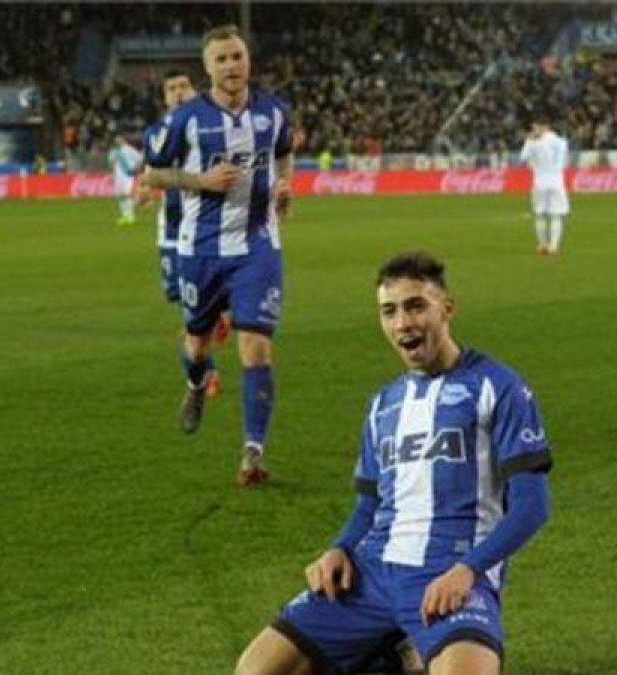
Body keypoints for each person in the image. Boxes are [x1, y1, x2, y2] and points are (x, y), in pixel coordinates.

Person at [236, 252, 552, 675]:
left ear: (447, 308)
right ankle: (393, 651)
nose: (403, 323)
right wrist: (339, 548)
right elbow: (370, 504)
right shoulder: (383, 403)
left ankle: (398, 651)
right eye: (390, 311)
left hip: (451, 569)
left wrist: (470, 570)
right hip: (371, 574)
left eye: (416, 306)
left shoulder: (499, 386)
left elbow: (533, 505)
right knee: (254, 670)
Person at [145, 24, 294, 486]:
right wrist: (200, 182)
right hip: (201, 250)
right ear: (207, 68)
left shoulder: (273, 111)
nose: (232, 65)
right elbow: (154, 176)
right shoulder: (185, 118)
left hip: (258, 247)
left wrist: (286, 186)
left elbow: (284, 155)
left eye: (238, 56)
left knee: (256, 344)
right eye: (222, 59)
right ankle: (195, 383)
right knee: (196, 344)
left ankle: (253, 451)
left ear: (248, 60)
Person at [139, 69, 228, 397]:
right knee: (178, 297)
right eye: (171, 88)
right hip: (171, 228)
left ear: (194, 90)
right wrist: (145, 188)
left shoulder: (210, 126)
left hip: (205, 227)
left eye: (183, 86)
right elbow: (151, 170)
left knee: (192, 309)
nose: (178, 92)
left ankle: (206, 371)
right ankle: (212, 318)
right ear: (165, 98)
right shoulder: (161, 132)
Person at [518, 117, 569, 255]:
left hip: (540, 181)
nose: (534, 131)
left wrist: (529, 141)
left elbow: (522, 158)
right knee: (556, 214)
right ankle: (553, 246)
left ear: (543, 126)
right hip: (557, 181)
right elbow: (565, 161)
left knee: (540, 214)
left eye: (535, 127)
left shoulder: (535, 142)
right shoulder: (562, 142)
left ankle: (542, 244)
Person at [109, 133, 143, 226]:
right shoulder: (114, 151)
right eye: (116, 139)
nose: (117, 140)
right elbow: (112, 164)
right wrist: (113, 174)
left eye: (119, 138)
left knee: (129, 196)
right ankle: (124, 216)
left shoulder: (129, 149)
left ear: (123, 139)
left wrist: (136, 169)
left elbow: (140, 159)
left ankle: (131, 216)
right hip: (118, 178)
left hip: (128, 176)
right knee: (120, 197)